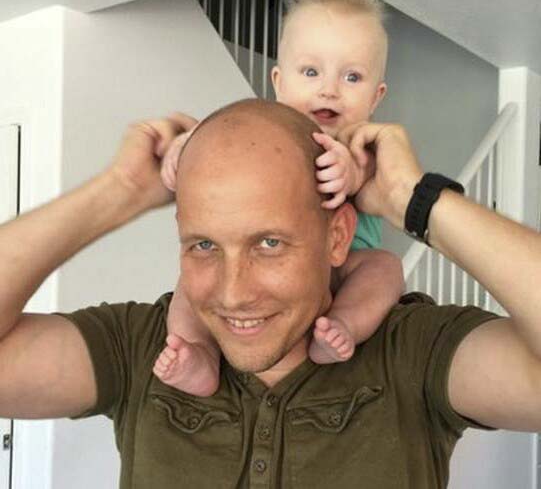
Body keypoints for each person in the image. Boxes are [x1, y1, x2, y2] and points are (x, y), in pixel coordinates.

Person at [1, 98, 541, 488]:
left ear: (337, 237)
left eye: (269, 243)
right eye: (204, 245)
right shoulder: (142, 347)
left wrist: (411, 199)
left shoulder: (413, 352)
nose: (234, 293)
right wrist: (118, 191)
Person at [154, 0, 405, 396]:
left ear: (376, 97)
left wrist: (350, 172)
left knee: (386, 268)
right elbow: (220, 143)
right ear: (279, 81)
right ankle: (197, 353)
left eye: (352, 77)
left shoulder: (363, 147)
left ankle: (343, 325)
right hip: (277, 270)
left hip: (346, 267)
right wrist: (186, 148)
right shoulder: (263, 137)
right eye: (311, 72)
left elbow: (376, 182)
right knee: (190, 284)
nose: (329, 89)